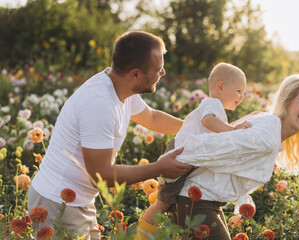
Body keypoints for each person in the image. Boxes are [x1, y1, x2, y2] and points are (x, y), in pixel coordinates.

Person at [27, 31, 192, 239]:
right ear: (136, 75)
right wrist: (159, 168)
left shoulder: (121, 86)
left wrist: (196, 128)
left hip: (78, 201)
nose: (164, 73)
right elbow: (101, 175)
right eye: (158, 69)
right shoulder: (100, 104)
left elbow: (151, 118)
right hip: (57, 203)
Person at [138, 74, 299, 239]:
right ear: (287, 103)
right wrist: (166, 169)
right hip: (193, 200)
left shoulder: (269, 125)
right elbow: (213, 144)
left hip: (203, 200)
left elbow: (230, 153)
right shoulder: (267, 134)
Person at [138, 63, 250, 232]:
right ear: (220, 87)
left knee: (168, 202)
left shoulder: (215, 107)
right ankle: (137, 234)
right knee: (163, 203)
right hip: (179, 155)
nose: (242, 97)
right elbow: (208, 121)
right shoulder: (213, 104)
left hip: (187, 155)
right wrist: (233, 130)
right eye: (239, 91)